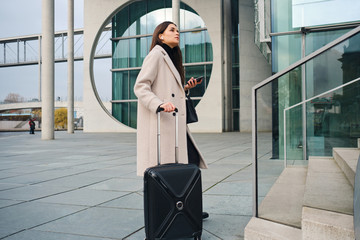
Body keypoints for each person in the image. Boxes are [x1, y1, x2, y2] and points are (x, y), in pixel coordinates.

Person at [134, 21, 209, 219]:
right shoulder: (157, 54)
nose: (177, 33)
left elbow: (169, 91)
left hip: (174, 125)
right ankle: (180, 210)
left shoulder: (169, 57)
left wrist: (185, 88)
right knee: (183, 166)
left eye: (178, 30)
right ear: (161, 35)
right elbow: (141, 86)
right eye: (172, 30)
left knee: (189, 164)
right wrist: (159, 104)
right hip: (164, 125)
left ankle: (189, 208)